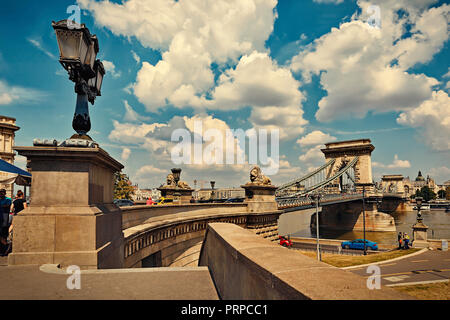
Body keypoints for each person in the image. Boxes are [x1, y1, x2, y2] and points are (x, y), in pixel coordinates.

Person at [0, 189, 12, 256]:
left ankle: (6, 247)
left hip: (4, 216)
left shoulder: (8, 199)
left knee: (3, 232)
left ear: (4, 193)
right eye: (0, 193)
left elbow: (7, 206)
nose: (1, 194)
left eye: (2, 193)